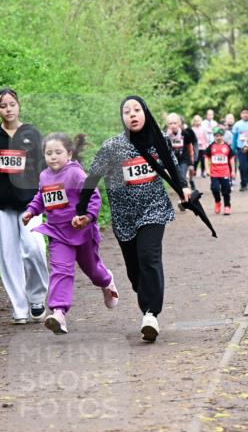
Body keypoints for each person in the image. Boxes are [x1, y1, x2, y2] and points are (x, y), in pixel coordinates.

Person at [72, 96, 193, 343]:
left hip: (154, 208)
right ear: (122, 118)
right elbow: (92, 178)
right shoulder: (112, 147)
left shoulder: (157, 141)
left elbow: (171, 165)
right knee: (135, 270)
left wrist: (184, 187)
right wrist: (81, 209)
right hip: (124, 216)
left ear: (145, 113)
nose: (133, 115)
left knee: (150, 257)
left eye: (137, 110)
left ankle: (150, 314)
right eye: (127, 111)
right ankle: (146, 297)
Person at [21, 133, 119, 335]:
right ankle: (58, 313)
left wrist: (87, 216)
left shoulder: (75, 174)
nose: (53, 157)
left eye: (58, 152)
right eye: (49, 153)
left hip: (81, 232)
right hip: (58, 233)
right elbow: (41, 196)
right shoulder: (44, 176)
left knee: (93, 271)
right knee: (61, 270)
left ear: (69, 154)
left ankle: (106, 280)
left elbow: (92, 195)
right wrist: (32, 210)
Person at [0, 87, 50, 324]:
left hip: (30, 203)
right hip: (2, 203)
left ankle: (36, 298)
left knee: (34, 249)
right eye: (2, 105)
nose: (8, 109)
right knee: (8, 257)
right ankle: (19, 307)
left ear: (19, 105)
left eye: (11, 104)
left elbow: (45, 163)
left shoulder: (31, 133)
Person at [203, 127, 236, 216]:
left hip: (225, 172)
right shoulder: (211, 146)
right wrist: (207, 169)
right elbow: (206, 158)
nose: (218, 137)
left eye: (220, 135)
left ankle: (227, 206)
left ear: (223, 136)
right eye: (216, 136)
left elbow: (232, 159)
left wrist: (233, 171)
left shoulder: (227, 146)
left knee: (226, 190)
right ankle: (217, 202)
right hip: (214, 172)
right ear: (214, 136)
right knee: (215, 188)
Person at [164, 113, 198, 191]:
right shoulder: (165, 135)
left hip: (184, 158)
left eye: (175, 123)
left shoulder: (185, 133)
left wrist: (191, 160)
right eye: (170, 123)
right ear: (167, 125)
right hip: (172, 158)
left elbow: (190, 147)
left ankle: (185, 192)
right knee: (176, 177)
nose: (173, 125)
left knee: (182, 175)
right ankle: (181, 189)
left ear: (179, 123)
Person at [232, 108, 248, 192]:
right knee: (243, 166)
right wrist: (233, 149)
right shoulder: (237, 124)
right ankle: (243, 184)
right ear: (240, 114)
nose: (245, 115)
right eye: (243, 113)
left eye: (247, 113)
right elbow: (234, 138)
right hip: (241, 148)